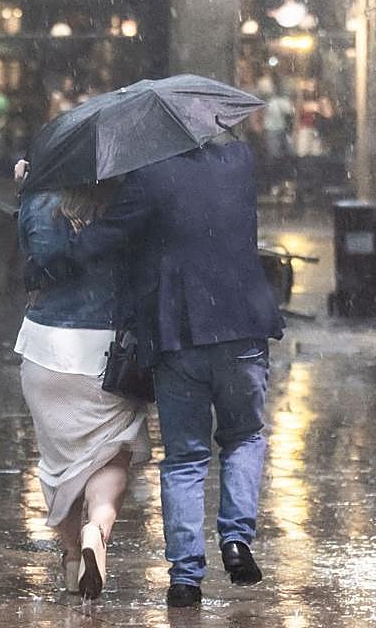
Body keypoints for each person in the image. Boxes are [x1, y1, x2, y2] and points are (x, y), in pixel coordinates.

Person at [46, 139, 284, 608]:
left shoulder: (150, 176)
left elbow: (103, 239)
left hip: (180, 335)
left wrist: (55, 250)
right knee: (244, 437)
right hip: (242, 327)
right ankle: (236, 541)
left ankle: (185, 578)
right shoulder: (239, 160)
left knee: (185, 458)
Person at [13, 162, 151, 600]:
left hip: (44, 349)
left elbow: (33, 259)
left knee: (60, 466)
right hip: (105, 352)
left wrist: (27, 190)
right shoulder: (127, 203)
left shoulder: (39, 201)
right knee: (111, 455)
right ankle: (97, 529)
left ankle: (73, 559)